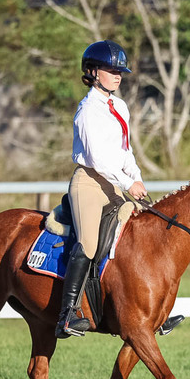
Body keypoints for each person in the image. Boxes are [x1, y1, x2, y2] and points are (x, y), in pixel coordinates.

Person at [55, 40, 148, 339]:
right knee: (89, 243)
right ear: (93, 72)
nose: (118, 75)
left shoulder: (118, 106)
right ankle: (67, 314)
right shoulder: (87, 111)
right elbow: (98, 160)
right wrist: (126, 183)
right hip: (90, 182)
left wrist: (137, 176)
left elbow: (125, 150)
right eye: (111, 70)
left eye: (120, 70)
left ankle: (150, 309)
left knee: (142, 230)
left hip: (116, 180)